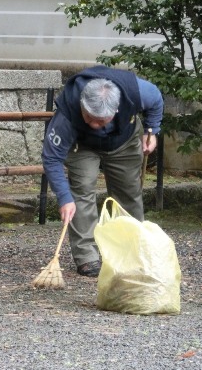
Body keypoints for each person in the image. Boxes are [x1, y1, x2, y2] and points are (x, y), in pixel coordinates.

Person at [42, 65, 163, 277]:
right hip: (82, 146)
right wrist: (64, 197)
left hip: (124, 140)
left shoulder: (138, 92)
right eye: (89, 117)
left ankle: (131, 250)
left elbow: (156, 100)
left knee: (129, 193)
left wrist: (152, 130)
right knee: (81, 190)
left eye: (101, 120)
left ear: (115, 110)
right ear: (82, 104)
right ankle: (87, 257)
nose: (95, 125)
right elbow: (51, 158)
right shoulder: (68, 114)